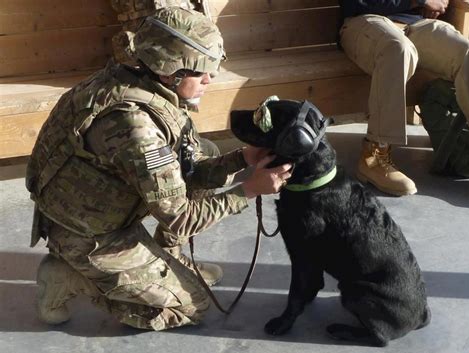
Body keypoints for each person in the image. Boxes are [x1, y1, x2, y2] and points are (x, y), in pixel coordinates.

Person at [25, 7, 292, 331]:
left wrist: (243, 160)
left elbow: (189, 166)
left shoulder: (132, 78)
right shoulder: (134, 127)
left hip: (101, 208)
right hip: (90, 235)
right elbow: (179, 216)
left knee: (203, 151)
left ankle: (167, 259)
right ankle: (68, 277)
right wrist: (249, 189)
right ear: (169, 72)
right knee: (191, 307)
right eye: (199, 71)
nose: (210, 79)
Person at [338, 0, 469, 196]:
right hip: (365, 22)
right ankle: (374, 156)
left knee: (468, 52)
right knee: (398, 48)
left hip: (416, 24)